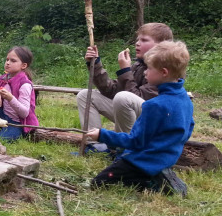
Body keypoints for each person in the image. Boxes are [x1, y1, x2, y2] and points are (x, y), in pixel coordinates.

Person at [86, 41, 193, 196]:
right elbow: (189, 127)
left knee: (98, 182)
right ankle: (158, 174)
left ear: (164, 72)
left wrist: (102, 135)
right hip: (167, 159)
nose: (145, 72)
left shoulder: (154, 105)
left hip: (143, 162)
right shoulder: (184, 98)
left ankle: (151, 183)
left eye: (149, 68)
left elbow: (135, 141)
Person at [76, 22, 173, 153]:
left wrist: (125, 70)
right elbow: (111, 90)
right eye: (138, 39)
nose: (137, 43)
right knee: (85, 95)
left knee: (123, 98)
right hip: (133, 114)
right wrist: (95, 63)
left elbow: (138, 98)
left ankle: (125, 150)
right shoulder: (138, 65)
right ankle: (95, 147)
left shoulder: (164, 70)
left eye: (144, 40)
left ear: (161, 45)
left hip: (152, 122)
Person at [0, 46, 39, 141]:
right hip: (3, 116)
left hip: (18, 123)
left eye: (13, 61)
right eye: (7, 60)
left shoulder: (24, 84)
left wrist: (10, 98)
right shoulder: (4, 78)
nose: (8, 63)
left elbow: (24, 113)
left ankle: (3, 133)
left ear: (24, 65)